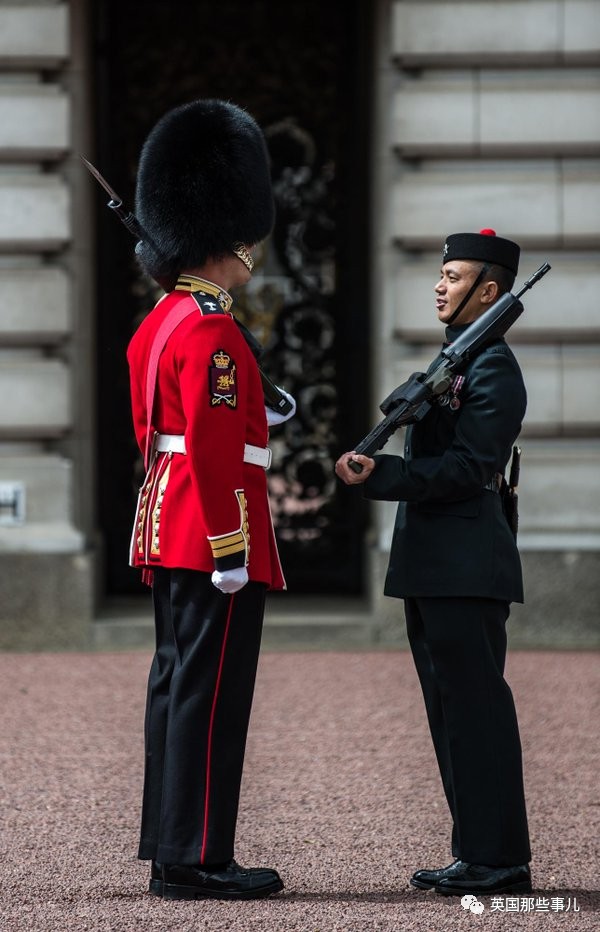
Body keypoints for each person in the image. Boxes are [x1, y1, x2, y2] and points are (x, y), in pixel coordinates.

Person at [127, 99, 294, 901]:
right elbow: (222, 451)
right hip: (212, 532)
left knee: (175, 685)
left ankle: (170, 847)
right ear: (232, 237)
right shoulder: (213, 331)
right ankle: (198, 857)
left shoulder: (161, 320)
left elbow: (155, 431)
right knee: (211, 693)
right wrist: (233, 548)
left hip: (168, 520)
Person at [335, 230, 532, 896]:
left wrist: (383, 474)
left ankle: (500, 860)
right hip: (436, 563)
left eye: (455, 275)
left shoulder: (494, 368)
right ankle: (475, 851)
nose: (440, 286)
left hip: (465, 564)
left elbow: (470, 468)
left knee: (476, 714)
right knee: (451, 715)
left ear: (491, 291)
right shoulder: (458, 360)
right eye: (441, 274)